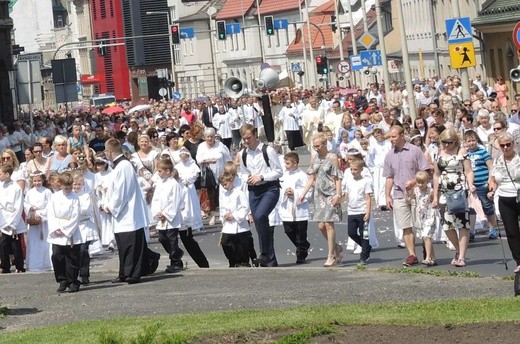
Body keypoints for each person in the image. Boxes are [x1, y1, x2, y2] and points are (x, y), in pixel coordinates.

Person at [103, 138, 160, 284]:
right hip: (122, 214)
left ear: (109, 152)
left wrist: (112, 207)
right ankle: (123, 272)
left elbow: (122, 191)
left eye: (105, 151)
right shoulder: (117, 166)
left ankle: (134, 273)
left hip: (129, 213)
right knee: (123, 245)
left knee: (131, 245)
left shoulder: (124, 166)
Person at [383, 125, 430, 266]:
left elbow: (425, 171)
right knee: (406, 226)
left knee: (421, 224)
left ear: (402, 135)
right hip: (399, 194)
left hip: (417, 193)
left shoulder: (415, 151)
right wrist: (387, 196)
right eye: (390, 137)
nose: (391, 140)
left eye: (394, 136)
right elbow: (389, 177)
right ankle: (412, 255)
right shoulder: (390, 155)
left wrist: (415, 181)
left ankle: (427, 251)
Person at [238, 124, 283, 267]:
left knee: (260, 216)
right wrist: (247, 178)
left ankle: (264, 253)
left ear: (255, 135)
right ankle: (270, 259)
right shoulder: (243, 154)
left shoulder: (267, 150)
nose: (246, 141)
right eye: (244, 139)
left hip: (270, 188)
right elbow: (243, 172)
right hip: (254, 190)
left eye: (249, 138)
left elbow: (278, 171)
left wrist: (261, 177)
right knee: (259, 223)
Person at [432, 128, 475, 268]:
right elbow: (436, 175)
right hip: (444, 192)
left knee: (462, 223)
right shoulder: (439, 152)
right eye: (444, 142)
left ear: (455, 141)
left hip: (459, 190)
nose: (446, 145)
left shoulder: (461, 151)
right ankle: (457, 250)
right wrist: (435, 196)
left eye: (449, 142)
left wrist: (470, 184)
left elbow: (468, 170)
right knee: (447, 225)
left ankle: (462, 256)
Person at [299, 133, 343, 267]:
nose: (316, 148)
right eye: (315, 146)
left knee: (329, 225)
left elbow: (337, 178)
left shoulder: (333, 157)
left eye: (318, 146)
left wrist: (338, 194)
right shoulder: (314, 158)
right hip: (318, 194)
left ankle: (331, 255)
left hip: (330, 193)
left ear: (324, 145)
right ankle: (336, 247)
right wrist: (303, 193)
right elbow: (311, 178)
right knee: (321, 225)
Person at [489, 133, 520, 273]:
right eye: (502, 145)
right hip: (505, 199)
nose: (506, 147)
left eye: (508, 144)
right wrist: (491, 190)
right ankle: (519, 261)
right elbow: (494, 180)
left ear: (513, 144)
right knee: (511, 232)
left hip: (518, 195)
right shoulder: (497, 161)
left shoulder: (519, 159)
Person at [47, 172, 82, 292]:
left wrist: (65, 229)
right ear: (60, 185)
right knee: (57, 256)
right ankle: (62, 279)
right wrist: (55, 227)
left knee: (71, 257)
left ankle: (72, 281)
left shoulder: (75, 198)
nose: (67, 190)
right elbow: (50, 213)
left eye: (69, 187)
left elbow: (75, 216)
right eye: (65, 187)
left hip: (69, 230)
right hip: (57, 230)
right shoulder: (55, 197)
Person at [150, 158, 185, 273]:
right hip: (161, 217)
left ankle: (176, 261)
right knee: (162, 238)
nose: (158, 173)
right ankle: (176, 253)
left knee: (172, 239)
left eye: (160, 171)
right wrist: (157, 212)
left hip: (171, 218)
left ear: (168, 171)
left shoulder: (174, 184)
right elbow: (155, 199)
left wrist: (166, 213)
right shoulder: (160, 183)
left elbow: (174, 201)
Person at [464, 130, 499, 240]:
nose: (471, 143)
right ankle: (472, 230)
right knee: (471, 209)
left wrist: (489, 182)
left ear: (477, 140)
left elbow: (491, 167)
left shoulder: (483, 152)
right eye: (469, 141)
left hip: (482, 184)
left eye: (473, 140)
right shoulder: (465, 154)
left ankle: (493, 229)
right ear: (465, 142)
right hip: (471, 186)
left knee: (487, 207)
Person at [279, 152, 311, 264]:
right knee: (288, 230)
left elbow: (308, 191)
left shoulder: (302, 175)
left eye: (288, 163)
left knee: (301, 233)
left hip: (299, 208)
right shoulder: (284, 175)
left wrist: (295, 193)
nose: (285, 165)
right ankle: (304, 245)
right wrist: (285, 192)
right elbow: (280, 188)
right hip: (287, 206)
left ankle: (301, 254)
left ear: (295, 163)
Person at [196, 127, 232, 226]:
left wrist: (228, 171)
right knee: (210, 196)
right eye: (207, 137)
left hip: (220, 174)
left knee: (221, 195)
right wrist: (207, 161)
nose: (210, 139)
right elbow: (198, 159)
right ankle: (213, 216)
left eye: (211, 137)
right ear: (204, 137)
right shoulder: (201, 146)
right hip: (207, 175)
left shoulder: (221, 146)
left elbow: (228, 159)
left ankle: (224, 213)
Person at [340, 158, 372, 265]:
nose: (353, 172)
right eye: (352, 169)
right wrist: (338, 201)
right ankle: (366, 247)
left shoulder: (365, 182)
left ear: (361, 170)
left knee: (364, 234)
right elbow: (345, 196)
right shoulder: (349, 181)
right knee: (351, 233)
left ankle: (364, 256)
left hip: (362, 211)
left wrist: (368, 212)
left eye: (355, 170)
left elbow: (368, 198)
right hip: (351, 211)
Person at [218, 171, 253, 267]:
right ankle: (233, 260)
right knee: (225, 243)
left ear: (231, 181)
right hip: (228, 224)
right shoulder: (224, 195)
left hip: (239, 224)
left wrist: (235, 215)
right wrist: (224, 216)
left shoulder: (239, 192)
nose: (224, 187)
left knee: (241, 245)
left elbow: (245, 207)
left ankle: (244, 262)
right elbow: (222, 208)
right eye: (222, 185)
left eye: (225, 184)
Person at [24, 172, 53, 272]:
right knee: (33, 242)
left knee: (44, 243)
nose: (37, 183)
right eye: (35, 181)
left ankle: (46, 264)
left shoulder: (47, 192)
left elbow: (50, 205)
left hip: (43, 222)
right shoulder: (30, 192)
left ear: (43, 180)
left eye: (39, 180)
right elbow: (25, 203)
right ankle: (34, 264)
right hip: (33, 219)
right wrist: (30, 208)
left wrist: (40, 214)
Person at [407, 171, 437, 266]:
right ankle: (433, 257)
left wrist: (434, 202)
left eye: (422, 182)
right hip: (420, 217)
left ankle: (427, 258)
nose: (420, 185)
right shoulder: (416, 190)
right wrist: (408, 193)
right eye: (418, 182)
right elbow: (408, 198)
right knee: (426, 238)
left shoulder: (430, 191)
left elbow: (435, 200)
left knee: (426, 236)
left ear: (427, 181)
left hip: (429, 215)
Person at [0, 164, 25, 273]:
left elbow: (19, 206)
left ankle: (19, 266)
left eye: (0, 174)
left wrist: (13, 223)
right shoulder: (0, 186)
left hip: (14, 217)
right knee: (3, 244)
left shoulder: (16, 188)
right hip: (3, 217)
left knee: (16, 244)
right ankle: (5, 266)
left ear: (7, 174)